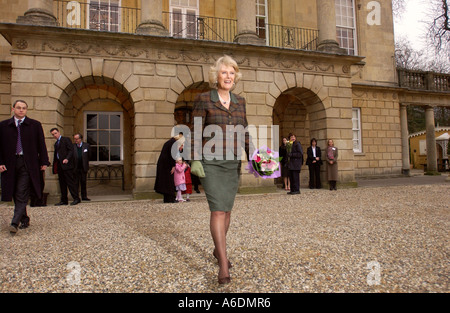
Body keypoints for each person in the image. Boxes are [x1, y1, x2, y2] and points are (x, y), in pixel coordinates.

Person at [190, 55, 251, 284]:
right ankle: (223, 263)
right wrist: (194, 158)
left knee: (226, 211)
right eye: (224, 72)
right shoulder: (204, 99)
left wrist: (254, 156)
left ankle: (218, 249)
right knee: (217, 210)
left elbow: (244, 130)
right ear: (216, 76)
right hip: (211, 161)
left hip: (232, 161)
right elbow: (196, 130)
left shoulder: (240, 101)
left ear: (235, 77)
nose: (228, 76)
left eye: (232, 73)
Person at [0, 100, 50, 234]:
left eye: (24, 108)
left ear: (26, 110)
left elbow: (41, 144)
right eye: (18, 108)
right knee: (15, 192)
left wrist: (44, 161)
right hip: (10, 163)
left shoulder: (35, 125)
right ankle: (25, 218)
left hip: (28, 163)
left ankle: (14, 222)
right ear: (13, 109)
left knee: (22, 191)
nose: (21, 110)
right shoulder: (3, 126)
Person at [50, 128, 80, 206]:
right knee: (62, 183)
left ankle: (76, 198)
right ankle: (64, 200)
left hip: (67, 165)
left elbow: (71, 150)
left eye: (55, 133)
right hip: (60, 166)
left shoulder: (66, 139)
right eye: (53, 134)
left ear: (59, 132)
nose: (54, 135)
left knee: (70, 183)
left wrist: (67, 158)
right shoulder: (56, 143)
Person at [154, 134, 185, 203]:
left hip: (164, 164)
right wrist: (173, 165)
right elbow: (172, 155)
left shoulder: (171, 142)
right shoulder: (173, 143)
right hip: (166, 165)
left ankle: (168, 199)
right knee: (169, 182)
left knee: (166, 182)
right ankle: (170, 199)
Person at [73, 133, 91, 201]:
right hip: (76, 168)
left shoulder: (86, 145)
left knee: (83, 182)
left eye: (77, 139)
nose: (75, 140)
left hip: (83, 167)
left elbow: (89, 155)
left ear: (80, 139)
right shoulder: (73, 146)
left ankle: (84, 196)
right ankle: (76, 197)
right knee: (76, 183)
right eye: (74, 139)